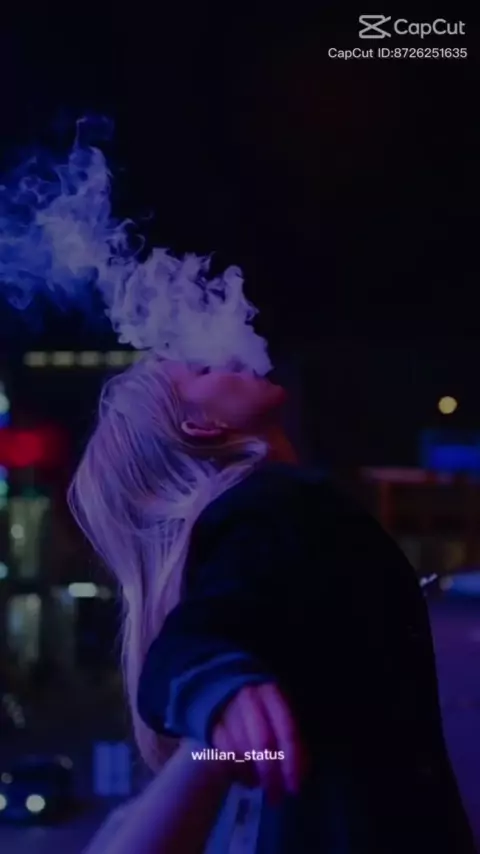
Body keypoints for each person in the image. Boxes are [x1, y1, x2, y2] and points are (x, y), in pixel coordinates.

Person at [69, 354, 477, 853]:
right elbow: (190, 639)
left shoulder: (273, 518)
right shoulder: (269, 505)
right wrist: (214, 684)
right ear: (202, 425)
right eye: (201, 372)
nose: (227, 358)